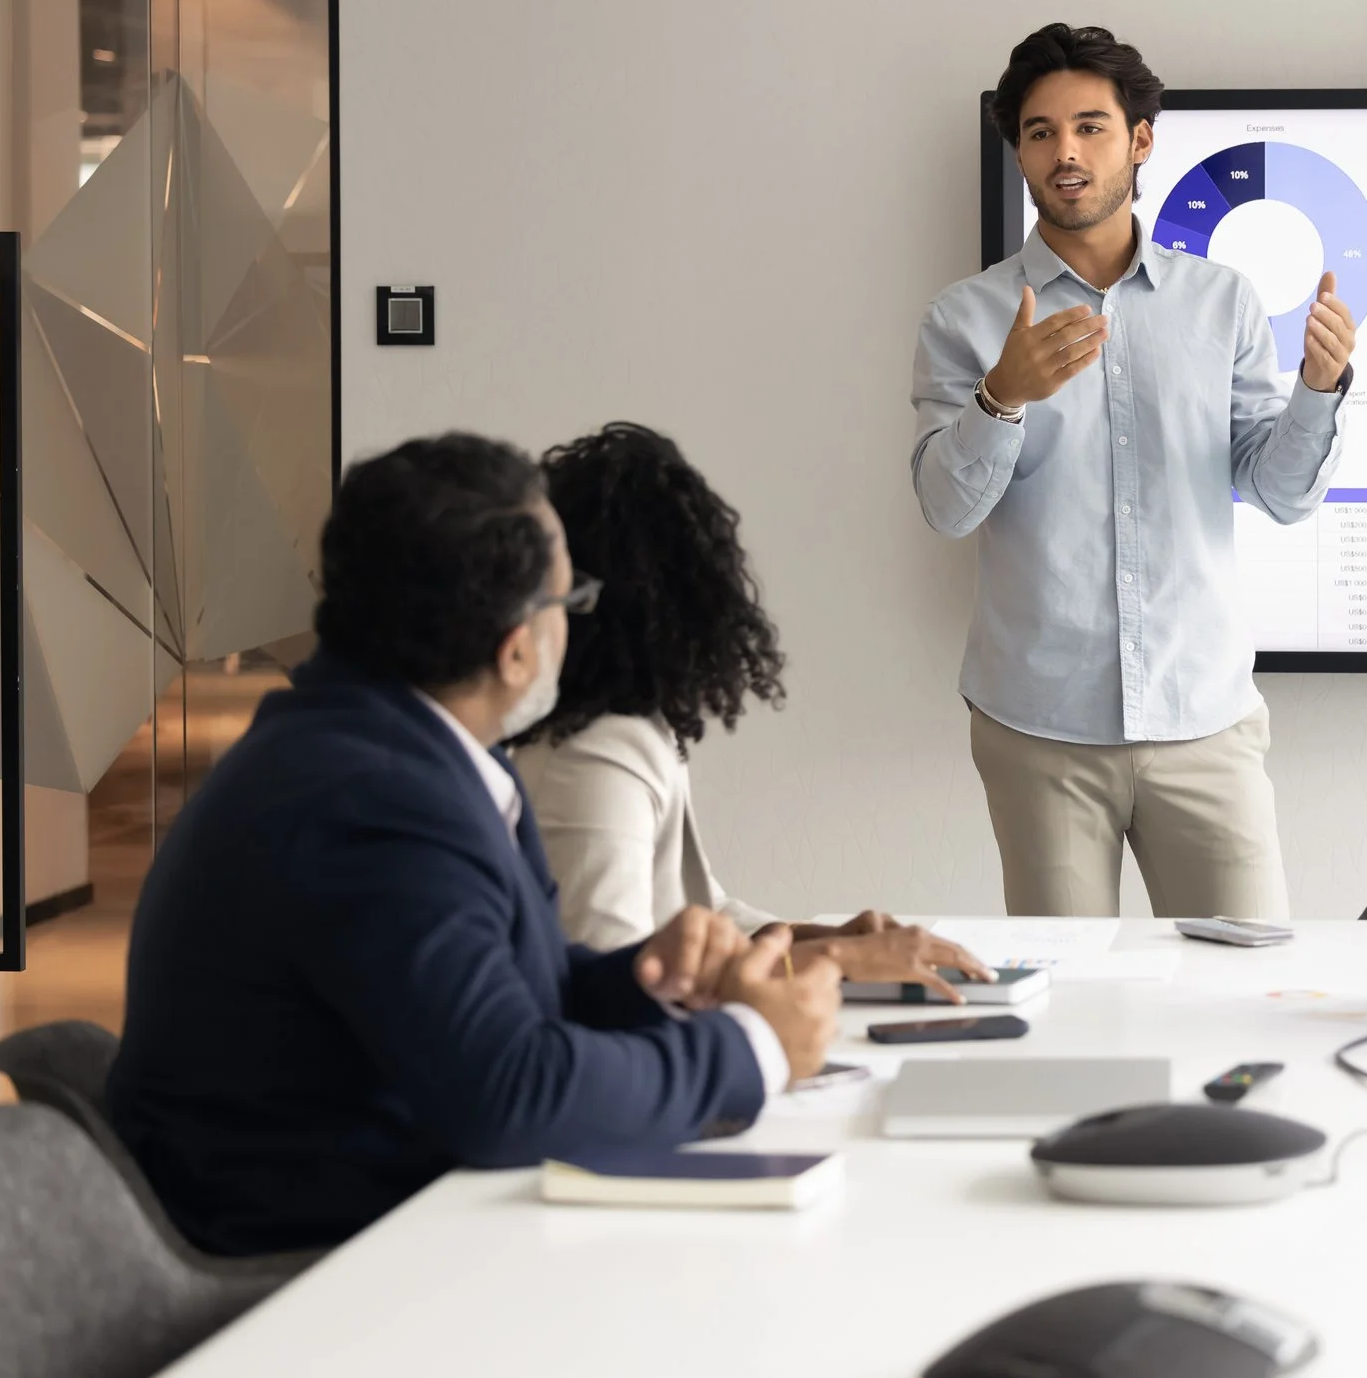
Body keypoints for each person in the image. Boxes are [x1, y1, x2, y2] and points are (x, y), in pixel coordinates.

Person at [107, 433, 841, 1257]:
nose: (576, 623)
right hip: (318, 1276)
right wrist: (750, 1049)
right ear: (518, 648)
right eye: (572, 601)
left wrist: (650, 981)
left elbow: (523, 993)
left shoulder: (402, 754)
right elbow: (507, 1092)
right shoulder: (372, 800)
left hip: (409, 1225)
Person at [910, 23, 1358, 920]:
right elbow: (946, 510)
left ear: (1140, 140)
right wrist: (1003, 396)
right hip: (1039, 730)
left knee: (1245, 992)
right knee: (1071, 1009)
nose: (1064, 152)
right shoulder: (965, 318)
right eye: (1040, 132)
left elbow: (1278, 492)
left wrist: (1320, 387)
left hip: (1205, 721)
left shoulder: (1220, 301)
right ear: (1020, 153)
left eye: (1089, 126)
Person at [514, 422, 993, 999]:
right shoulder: (595, 755)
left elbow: (699, 910)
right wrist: (834, 960)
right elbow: (612, 979)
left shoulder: (627, 728)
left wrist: (814, 940)